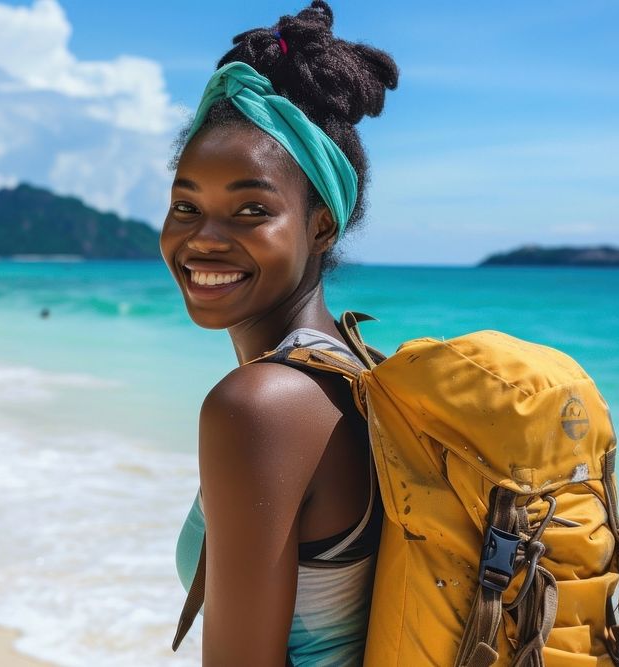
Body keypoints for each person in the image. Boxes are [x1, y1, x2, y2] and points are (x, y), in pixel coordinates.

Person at [160, 2, 399, 664]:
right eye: (186, 205)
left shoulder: (262, 405)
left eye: (250, 210)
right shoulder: (356, 367)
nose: (203, 238)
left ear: (321, 225)